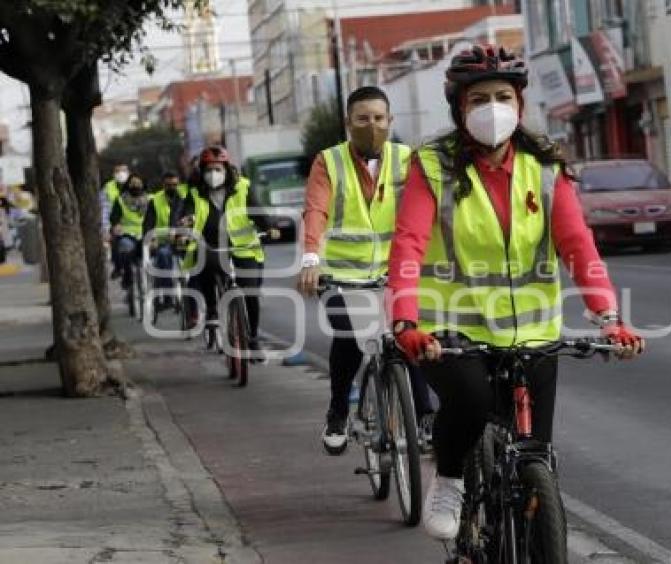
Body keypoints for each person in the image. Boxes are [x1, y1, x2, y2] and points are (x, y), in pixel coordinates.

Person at [386, 45, 646, 540]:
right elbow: (409, 243)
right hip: (450, 331)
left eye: (503, 96)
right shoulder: (432, 166)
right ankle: (449, 478)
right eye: (478, 97)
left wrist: (608, 316)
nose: (492, 107)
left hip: (532, 333)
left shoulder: (545, 167)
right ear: (459, 108)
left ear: (520, 105)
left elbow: (578, 246)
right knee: (472, 403)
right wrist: (405, 321)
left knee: (534, 456)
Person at [296, 85, 434, 455]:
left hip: (395, 273)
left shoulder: (408, 159)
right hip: (341, 276)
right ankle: (338, 411)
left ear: (390, 121)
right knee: (349, 338)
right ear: (348, 123)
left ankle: (425, 416)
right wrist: (311, 259)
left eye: (378, 118)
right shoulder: (329, 161)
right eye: (362, 119)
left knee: (409, 336)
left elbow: (434, 206)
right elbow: (316, 211)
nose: (370, 125)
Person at [177, 145, 278, 349]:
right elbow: (187, 213)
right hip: (212, 246)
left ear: (226, 169)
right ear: (202, 171)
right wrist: (186, 223)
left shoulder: (243, 187)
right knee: (204, 263)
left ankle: (254, 338)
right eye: (208, 170)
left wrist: (270, 227)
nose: (213, 174)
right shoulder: (195, 193)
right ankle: (212, 310)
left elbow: (257, 212)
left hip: (244, 247)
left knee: (250, 292)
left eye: (218, 169)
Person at [143, 172, 185, 308]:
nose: (172, 187)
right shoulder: (155, 200)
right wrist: (152, 239)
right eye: (168, 185)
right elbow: (148, 223)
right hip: (164, 242)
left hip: (185, 241)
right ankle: (168, 294)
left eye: (175, 185)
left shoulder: (185, 197)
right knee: (163, 255)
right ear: (163, 185)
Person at [109, 172, 149, 290]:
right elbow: (114, 218)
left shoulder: (150, 200)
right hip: (127, 236)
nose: (136, 186)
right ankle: (127, 277)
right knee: (125, 249)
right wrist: (116, 226)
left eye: (138, 183)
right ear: (128, 185)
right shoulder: (120, 200)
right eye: (133, 183)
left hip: (147, 236)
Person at [104, 163, 130, 279]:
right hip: (116, 224)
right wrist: (106, 229)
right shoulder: (108, 188)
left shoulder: (135, 185)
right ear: (114, 174)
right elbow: (104, 209)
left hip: (136, 224)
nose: (121, 174)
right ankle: (118, 267)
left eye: (123, 171)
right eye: (118, 172)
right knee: (116, 241)